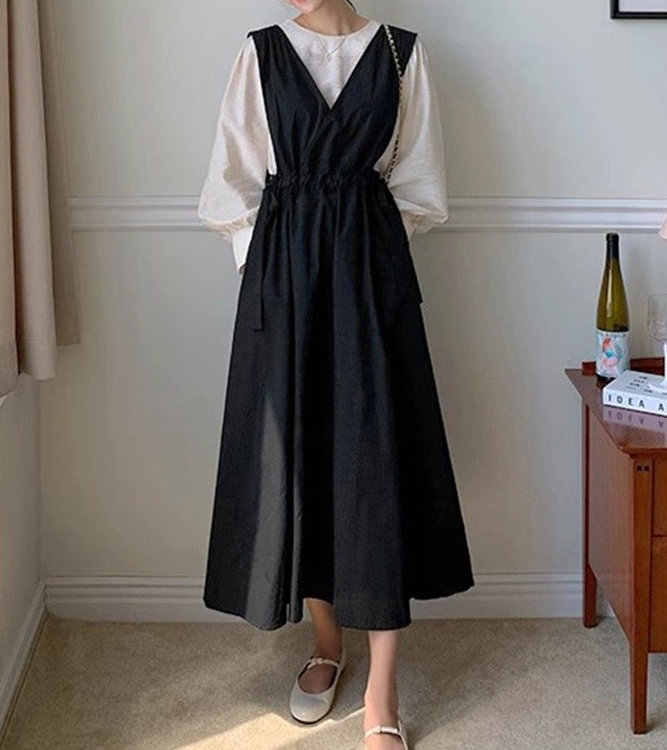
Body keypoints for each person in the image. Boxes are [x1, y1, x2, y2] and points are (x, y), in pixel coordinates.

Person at [197, 1, 474, 747]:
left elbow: (420, 184)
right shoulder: (260, 53)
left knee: (375, 466)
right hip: (283, 286)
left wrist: (364, 252)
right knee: (302, 459)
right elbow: (230, 182)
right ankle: (327, 641)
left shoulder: (400, 54)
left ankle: (383, 686)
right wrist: (275, 264)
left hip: (372, 284)